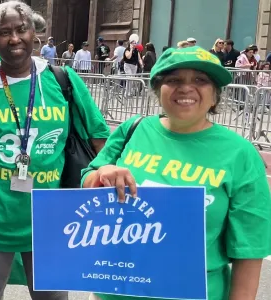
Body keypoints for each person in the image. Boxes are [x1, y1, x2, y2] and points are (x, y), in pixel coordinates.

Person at [0, 1, 110, 299]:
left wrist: (105, 178)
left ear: (35, 33)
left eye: (21, 29)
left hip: (50, 216)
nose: (14, 38)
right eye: (4, 32)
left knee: (51, 295)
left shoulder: (62, 80)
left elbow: (98, 138)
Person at [82, 46, 271, 300]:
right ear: (158, 91)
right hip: (114, 292)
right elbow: (88, 180)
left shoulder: (241, 154)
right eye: (174, 80)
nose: (186, 87)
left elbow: (249, 247)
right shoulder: (134, 129)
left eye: (200, 80)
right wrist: (103, 172)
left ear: (215, 95)